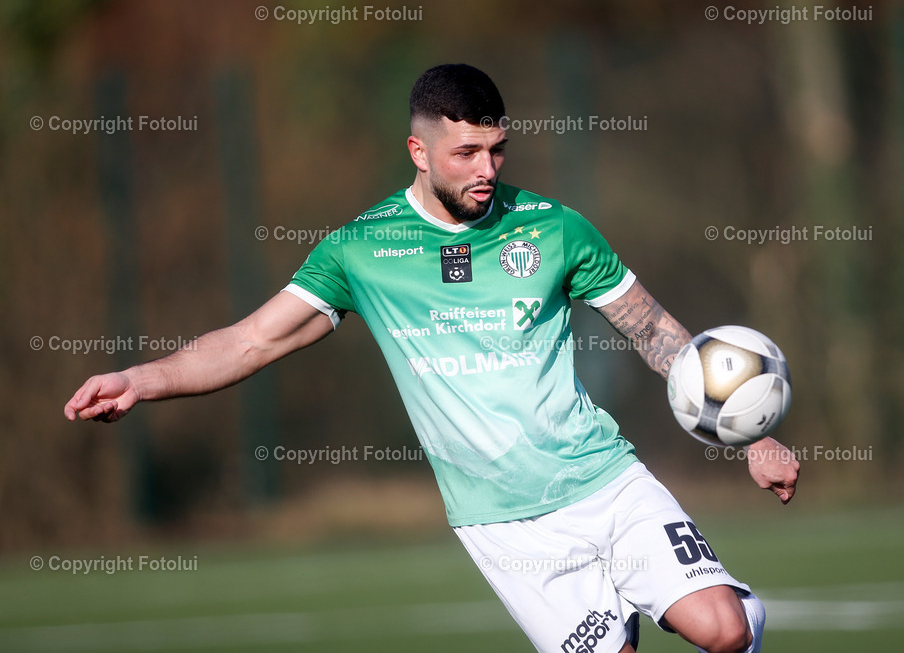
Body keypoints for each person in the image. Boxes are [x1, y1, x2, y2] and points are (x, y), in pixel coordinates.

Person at [65, 63, 799, 653]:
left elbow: (654, 331)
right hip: (501, 525)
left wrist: (748, 432)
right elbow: (252, 339)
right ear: (419, 151)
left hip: (604, 479)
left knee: (724, 629)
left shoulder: (555, 228)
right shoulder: (361, 250)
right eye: (467, 152)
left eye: (497, 148)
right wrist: (140, 378)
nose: (487, 167)